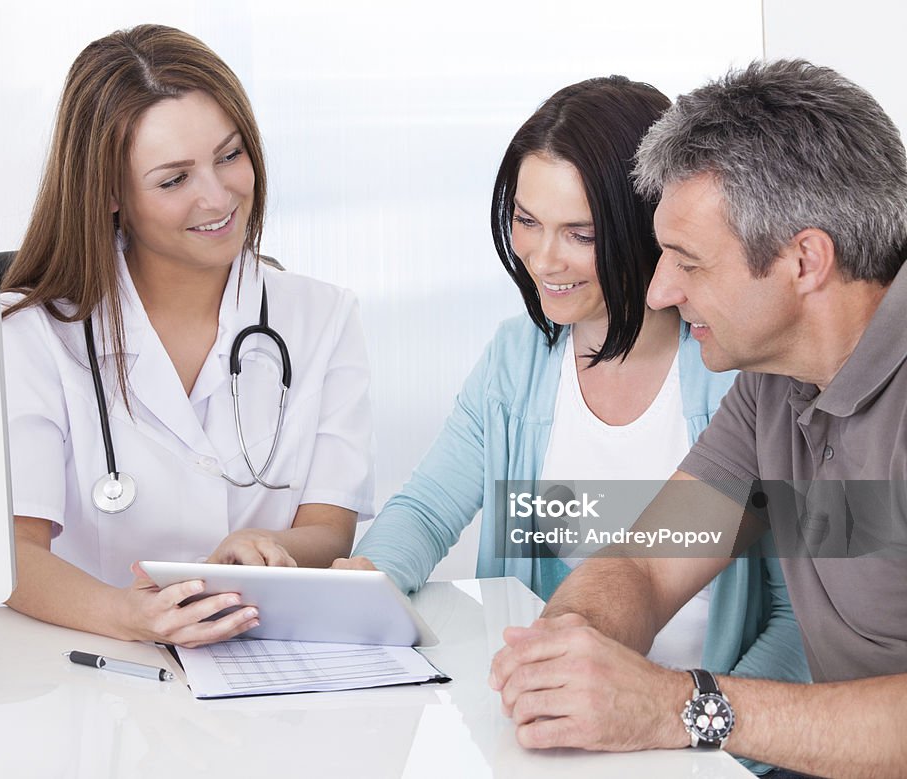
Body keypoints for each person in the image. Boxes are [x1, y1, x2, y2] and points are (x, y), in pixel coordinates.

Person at [335, 76, 807, 765]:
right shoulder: (518, 361)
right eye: (527, 220)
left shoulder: (740, 373)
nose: (542, 258)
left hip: (708, 745)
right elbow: (428, 508)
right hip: (556, 741)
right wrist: (365, 585)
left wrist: (700, 746)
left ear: (655, 226)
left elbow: (798, 628)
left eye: (579, 233)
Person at [489, 60, 907, 778]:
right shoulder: (771, 381)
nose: (657, 290)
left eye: (687, 261)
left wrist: (682, 706)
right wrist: (568, 645)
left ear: (805, 260)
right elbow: (652, 561)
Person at [0, 25, 373, 648]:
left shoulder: (322, 316)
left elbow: (329, 529)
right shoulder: (32, 332)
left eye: (229, 156)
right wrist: (126, 615)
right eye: (174, 180)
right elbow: (13, 552)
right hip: (87, 669)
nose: (218, 195)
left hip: (262, 669)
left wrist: (269, 546)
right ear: (111, 193)